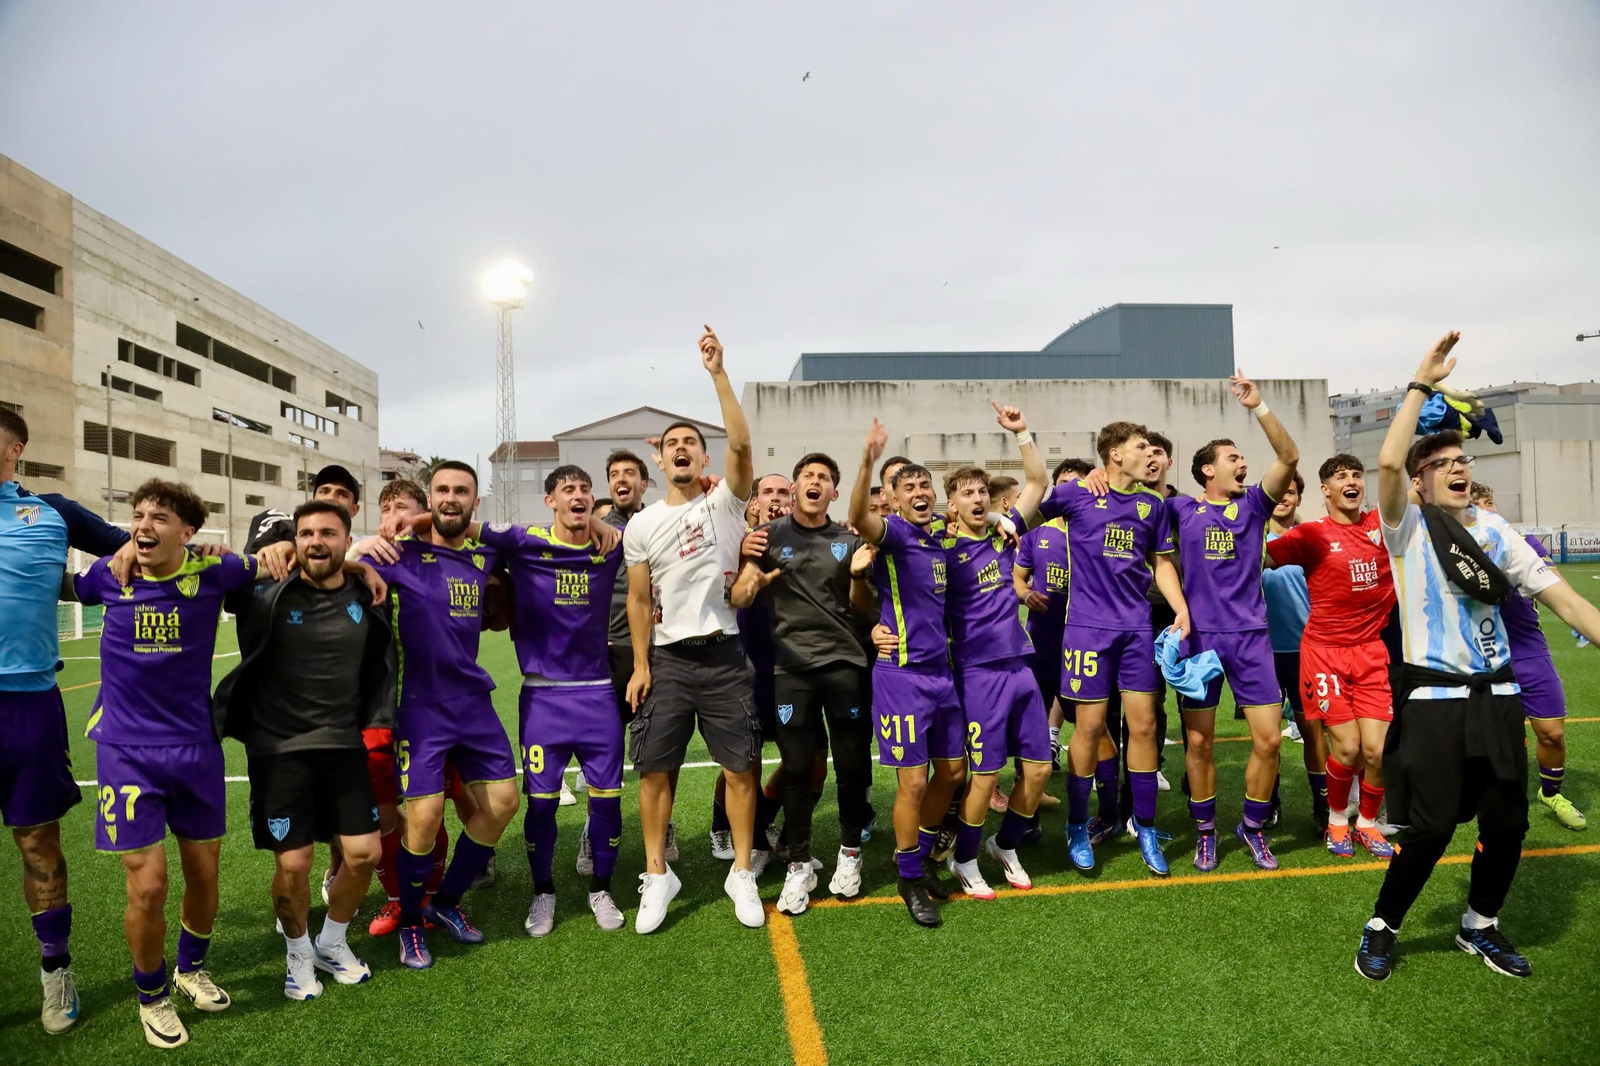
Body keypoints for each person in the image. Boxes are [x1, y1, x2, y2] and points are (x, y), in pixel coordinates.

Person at [1355, 332, 1600, 981]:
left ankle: (1480, 925)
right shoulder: (1405, 526)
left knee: (1509, 822)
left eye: (1462, 459)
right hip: (1434, 704)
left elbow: (1569, 603)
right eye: (1442, 463)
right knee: (1431, 830)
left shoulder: (1496, 531)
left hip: (1497, 699)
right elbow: (1383, 467)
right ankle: (1382, 925)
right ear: (1419, 481)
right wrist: (1420, 384)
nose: (1458, 468)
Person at [65, 480, 255, 1048]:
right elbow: (64, 583)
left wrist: (240, 552)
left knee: (204, 875)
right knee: (147, 888)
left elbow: (281, 558)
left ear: (189, 532)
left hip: (196, 749)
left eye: (160, 517)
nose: (144, 526)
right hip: (126, 752)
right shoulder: (110, 575)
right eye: (138, 516)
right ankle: (151, 996)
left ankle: (190, 967)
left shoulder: (215, 572)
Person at [214, 500, 389, 999]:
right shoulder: (265, 591)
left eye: (328, 533)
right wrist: (229, 551)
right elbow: (217, 572)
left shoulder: (366, 590)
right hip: (279, 751)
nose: (316, 541)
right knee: (293, 865)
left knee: (363, 854)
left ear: (346, 538)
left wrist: (360, 565)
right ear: (294, 541)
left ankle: (331, 941)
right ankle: (297, 953)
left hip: (343, 746)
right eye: (306, 533)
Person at [622, 327, 764, 933]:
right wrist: (641, 664)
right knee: (655, 771)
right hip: (670, 660)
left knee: (740, 769)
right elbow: (635, 598)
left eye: (692, 443)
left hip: (726, 655)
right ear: (660, 459)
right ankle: (658, 875)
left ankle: (741, 875)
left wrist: (717, 374)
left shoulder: (726, 502)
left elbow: (741, 439)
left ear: (703, 459)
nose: (682, 449)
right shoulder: (642, 524)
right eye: (672, 444)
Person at [0, 408, 130, 1035]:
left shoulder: (51, 512)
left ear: (15, 447)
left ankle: (57, 974)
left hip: (27, 705)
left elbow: (135, 547)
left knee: (37, 842)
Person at [363, 462, 521, 968]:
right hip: (419, 705)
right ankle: (412, 922)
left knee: (502, 802)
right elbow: (338, 565)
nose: (451, 498)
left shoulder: (486, 551)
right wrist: (363, 548)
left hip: (473, 702)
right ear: (430, 498)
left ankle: (447, 904)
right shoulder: (400, 553)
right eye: (442, 490)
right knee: (425, 818)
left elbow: (538, 539)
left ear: (476, 501)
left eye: (462, 491)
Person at [471, 465, 628, 935]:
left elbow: (645, 527)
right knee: (540, 805)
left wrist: (604, 525)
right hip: (543, 697)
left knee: (608, 804)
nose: (577, 496)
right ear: (550, 501)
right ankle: (544, 893)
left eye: (584, 490)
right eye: (567, 490)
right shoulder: (524, 541)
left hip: (598, 692)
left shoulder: (611, 544)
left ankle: (601, 888)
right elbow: (465, 531)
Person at [1036, 421, 1189, 878]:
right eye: (1143, 447)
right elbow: (1031, 509)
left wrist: (1181, 610)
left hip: (1137, 630)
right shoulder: (1078, 495)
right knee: (1089, 728)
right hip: (1085, 631)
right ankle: (1078, 824)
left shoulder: (1152, 504)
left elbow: (1161, 563)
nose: (1152, 454)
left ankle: (1143, 825)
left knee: (1143, 726)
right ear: (1116, 454)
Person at [1168, 371, 1300, 872]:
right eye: (1232, 458)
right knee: (1198, 743)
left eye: (1243, 458)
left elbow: (1288, 457)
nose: (1243, 464)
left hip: (1251, 639)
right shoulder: (1180, 509)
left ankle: (1252, 826)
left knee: (1267, 740)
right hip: (1199, 641)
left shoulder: (1254, 506)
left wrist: (1259, 406)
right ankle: (1205, 831)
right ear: (1206, 470)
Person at [732, 453, 874, 914]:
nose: (815, 483)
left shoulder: (848, 539)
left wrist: (856, 576)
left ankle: (849, 854)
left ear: (834, 491)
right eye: (808, 476)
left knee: (852, 766)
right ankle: (798, 864)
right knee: (795, 769)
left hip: (844, 665)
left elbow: (864, 608)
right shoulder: (766, 538)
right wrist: (749, 583)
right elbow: (738, 595)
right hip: (790, 670)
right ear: (794, 487)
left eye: (825, 478)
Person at [848, 421, 967, 926]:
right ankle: (909, 877)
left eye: (925, 486)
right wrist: (866, 461)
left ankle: (916, 858)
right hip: (901, 677)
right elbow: (856, 515)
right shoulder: (892, 535)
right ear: (892, 500)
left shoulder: (940, 540)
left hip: (941, 675)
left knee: (954, 773)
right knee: (913, 783)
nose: (919, 493)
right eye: (908, 488)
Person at [938, 403, 1051, 898]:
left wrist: (1021, 431)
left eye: (983, 491)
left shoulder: (1007, 537)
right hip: (977, 672)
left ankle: (1004, 845)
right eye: (968, 493)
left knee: (1040, 767)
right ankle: (964, 858)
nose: (978, 498)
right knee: (984, 775)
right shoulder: (942, 550)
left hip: (1019, 665)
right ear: (953, 506)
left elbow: (1038, 482)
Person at [1266, 455, 1397, 857]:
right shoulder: (1311, 535)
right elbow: (1259, 558)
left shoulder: (1381, 525)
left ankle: (1368, 823)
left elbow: (1398, 475)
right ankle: (1337, 819)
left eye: (1357, 475)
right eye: (1341, 477)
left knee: (1376, 750)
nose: (1351, 481)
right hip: (1324, 654)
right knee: (1347, 748)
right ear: (1326, 490)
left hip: (1372, 652)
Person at [1471, 483, 1584, 830]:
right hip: (1482, 657)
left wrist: (1578, 619)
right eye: (1478, 507)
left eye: (1490, 502)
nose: (1488, 510)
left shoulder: (1524, 544)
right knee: (1484, 741)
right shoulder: (1457, 551)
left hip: (1529, 651)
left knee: (1552, 733)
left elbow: (1555, 583)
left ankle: (1551, 792)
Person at [1014, 458, 1092, 783]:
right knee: (1033, 718)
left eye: (1077, 482)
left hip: (1085, 644)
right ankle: (1026, 785)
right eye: (1063, 482)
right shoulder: (1036, 532)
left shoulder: (1096, 532)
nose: (1068, 489)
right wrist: (1025, 594)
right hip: (1042, 641)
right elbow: (1017, 578)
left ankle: (1098, 800)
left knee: (1091, 725)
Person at [1262, 475, 1327, 831]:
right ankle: (1269, 803)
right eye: (1278, 492)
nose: (1284, 498)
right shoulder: (1252, 540)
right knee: (1267, 734)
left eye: (1291, 492)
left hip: (1306, 651)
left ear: (1300, 498)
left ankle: (1323, 807)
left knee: (1312, 729)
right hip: (1261, 652)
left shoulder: (1312, 539)